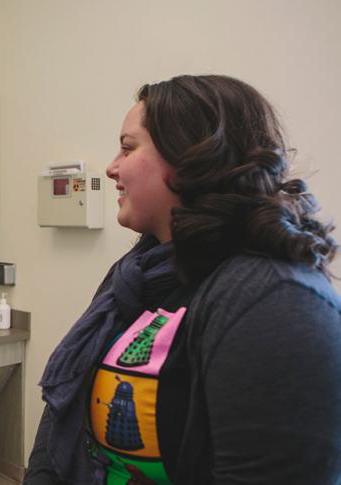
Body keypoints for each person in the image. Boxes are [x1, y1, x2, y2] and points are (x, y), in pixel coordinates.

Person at [24, 75, 341, 484]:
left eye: (128, 146)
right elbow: (65, 406)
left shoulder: (278, 302)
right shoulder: (136, 273)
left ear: (191, 156)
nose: (111, 167)